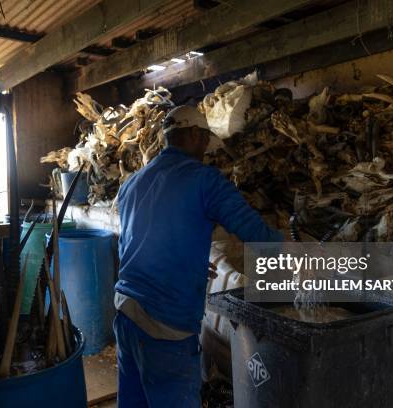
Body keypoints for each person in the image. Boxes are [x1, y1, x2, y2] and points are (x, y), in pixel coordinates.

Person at [114, 105, 284, 407]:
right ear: (193, 134)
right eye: (205, 138)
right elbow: (255, 233)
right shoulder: (205, 179)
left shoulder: (133, 183)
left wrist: (186, 260)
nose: (207, 147)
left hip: (126, 315)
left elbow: (131, 244)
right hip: (165, 325)